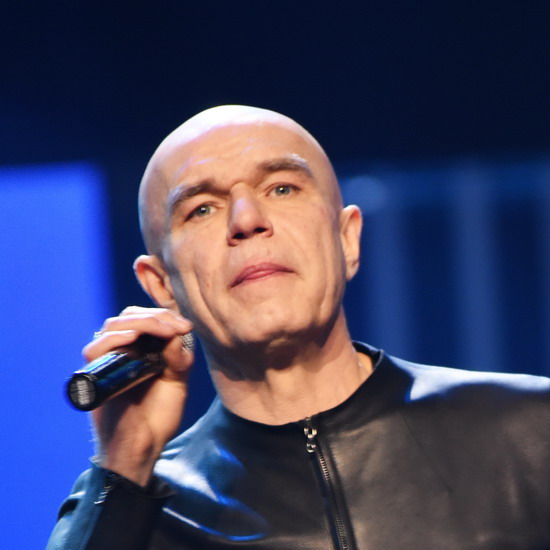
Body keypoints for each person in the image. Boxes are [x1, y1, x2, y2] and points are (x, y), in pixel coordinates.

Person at [48, 106, 550, 550]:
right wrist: (124, 468)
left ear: (346, 239)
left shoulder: (531, 431)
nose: (246, 219)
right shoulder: (133, 511)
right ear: (161, 285)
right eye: (201, 208)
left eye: (282, 188)